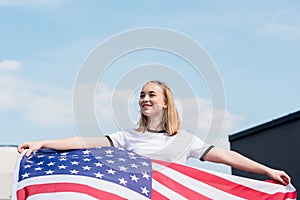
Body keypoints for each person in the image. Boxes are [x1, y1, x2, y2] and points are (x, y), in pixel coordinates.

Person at [18, 80, 291, 186]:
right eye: (141, 95)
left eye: (151, 94)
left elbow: (226, 157)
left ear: (164, 102)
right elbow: (83, 141)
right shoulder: (127, 137)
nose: (144, 99)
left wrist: (266, 170)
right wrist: (44, 143)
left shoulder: (185, 141)